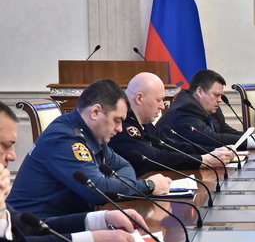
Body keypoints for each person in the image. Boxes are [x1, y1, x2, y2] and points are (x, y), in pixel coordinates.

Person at [0, 102, 145, 242]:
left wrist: (101, 219)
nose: (12, 155)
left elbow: (28, 229)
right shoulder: (64, 137)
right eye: (5, 145)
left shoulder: (91, 136)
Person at [8, 79, 172, 218]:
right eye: (116, 120)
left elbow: (124, 166)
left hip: (63, 222)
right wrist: (148, 185)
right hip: (34, 231)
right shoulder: (65, 139)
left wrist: (115, 186)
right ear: (95, 112)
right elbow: (97, 191)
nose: (120, 128)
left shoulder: (91, 135)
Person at [109, 72, 234, 176]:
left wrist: (213, 152)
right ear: (139, 98)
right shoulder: (123, 126)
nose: (162, 106)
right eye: (159, 100)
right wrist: (203, 160)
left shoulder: (144, 123)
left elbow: (171, 146)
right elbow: (154, 157)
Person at [156, 69, 255, 150]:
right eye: (216, 95)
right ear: (199, 92)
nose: (220, 100)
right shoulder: (185, 109)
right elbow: (210, 138)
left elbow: (225, 130)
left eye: (221, 95)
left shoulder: (209, 107)